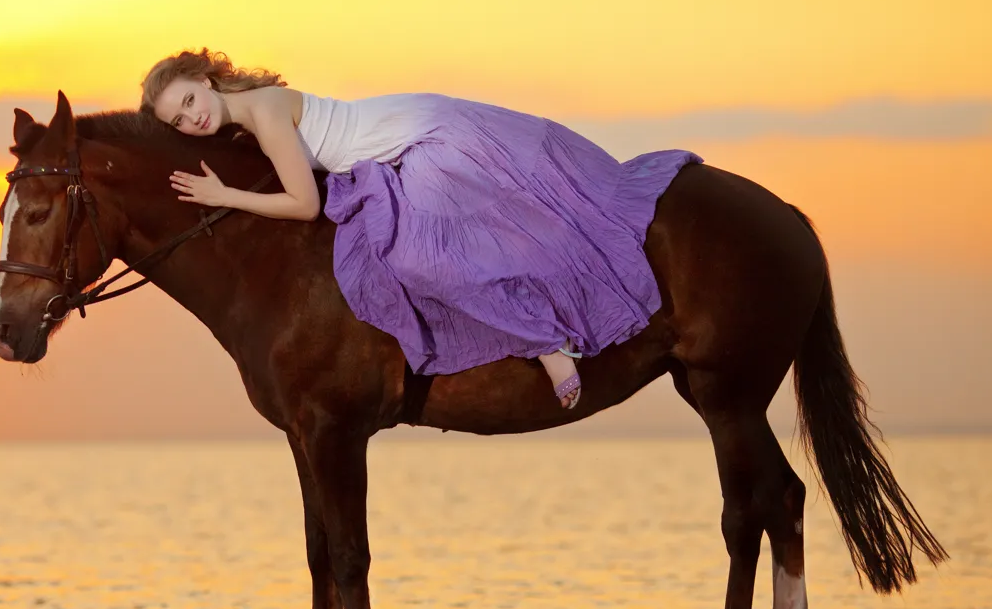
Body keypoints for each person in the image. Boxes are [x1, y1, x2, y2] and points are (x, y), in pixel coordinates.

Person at [142, 49, 700, 409]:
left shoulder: (262, 113)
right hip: (396, 148)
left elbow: (304, 204)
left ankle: (549, 343)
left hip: (424, 141)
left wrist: (223, 197)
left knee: (426, 259)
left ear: (206, 79)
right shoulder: (246, 113)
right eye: (178, 120)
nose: (192, 119)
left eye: (190, 101)